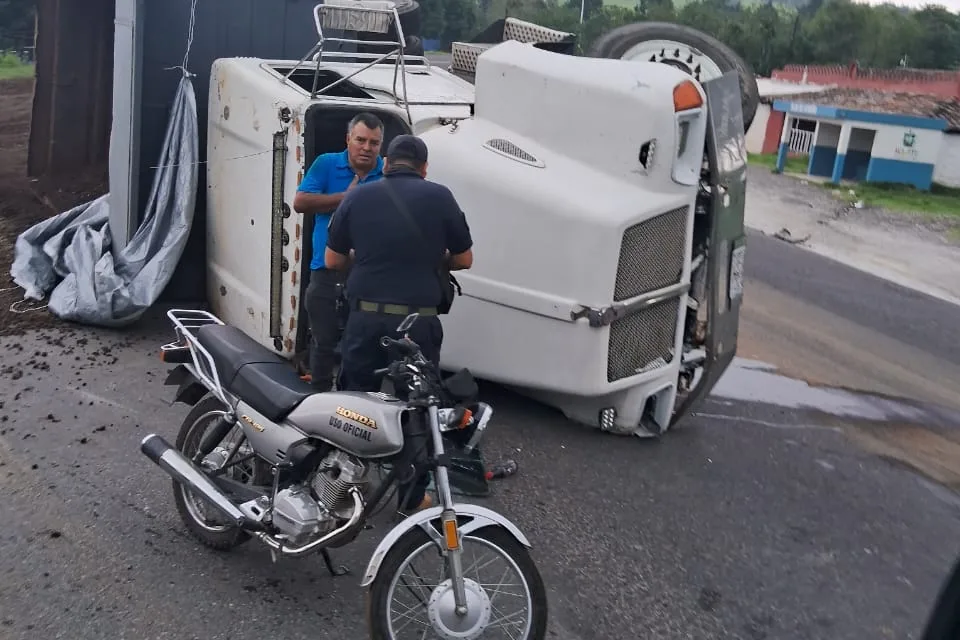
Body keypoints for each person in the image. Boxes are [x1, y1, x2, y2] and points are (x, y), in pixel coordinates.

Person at [325, 134, 474, 513]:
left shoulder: (357, 197)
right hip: (417, 325)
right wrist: (430, 258)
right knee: (416, 409)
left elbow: (332, 261)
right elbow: (465, 259)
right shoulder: (440, 197)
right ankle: (410, 499)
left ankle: (340, 490)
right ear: (424, 168)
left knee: (354, 403)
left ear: (386, 163)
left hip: (366, 318)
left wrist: (367, 257)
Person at [292, 113, 385, 392]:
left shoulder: (388, 173)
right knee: (323, 342)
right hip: (326, 271)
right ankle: (318, 402)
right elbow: (300, 202)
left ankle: (352, 405)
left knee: (362, 345)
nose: (367, 148)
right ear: (348, 140)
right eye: (361, 140)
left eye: (374, 142)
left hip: (370, 275)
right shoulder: (327, 164)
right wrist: (348, 199)